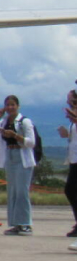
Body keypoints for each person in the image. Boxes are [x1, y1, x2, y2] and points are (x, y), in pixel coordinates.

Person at [0, 95, 37, 236]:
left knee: (22, 191)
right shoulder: (4, 122)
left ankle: (26, 223)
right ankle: (16, 223)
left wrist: (16, 136)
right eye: (7, 105)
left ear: (18, 106)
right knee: (12, 192)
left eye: (13, 105)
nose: (10, 107)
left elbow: (31, 142)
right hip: (9, 156)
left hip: (22, 157)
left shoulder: (25, 122)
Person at [59, 89, 77, 238]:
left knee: (71, 190)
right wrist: (67, 134)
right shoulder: (73, 119)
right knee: (71, 190)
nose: (69, 104)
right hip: (74, 158)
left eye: (72, 101)